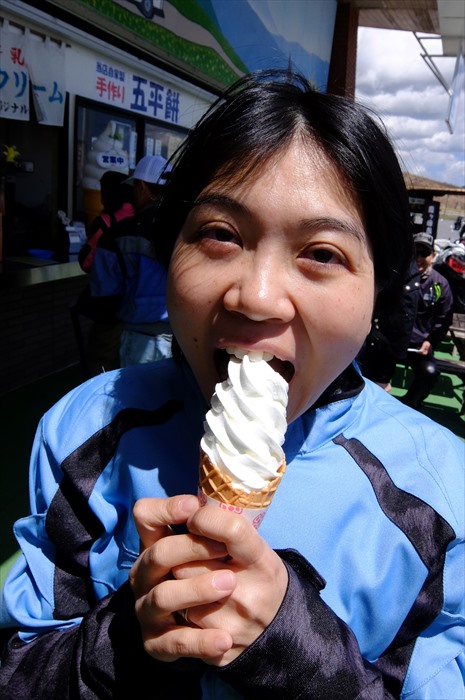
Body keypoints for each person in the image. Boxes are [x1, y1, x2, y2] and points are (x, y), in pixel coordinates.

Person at [0, 70, 463, 699]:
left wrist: (299, 653)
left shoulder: (444, 493)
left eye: (322, 253)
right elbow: (19, 666)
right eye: (220, 234)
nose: (258, 296)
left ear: (377, 286)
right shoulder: (85, 427)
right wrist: (127, 639)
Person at [88, 155, 172, 366]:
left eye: (134, 186)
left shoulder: (119, 235)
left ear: (142, 187)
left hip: (139, 340)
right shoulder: (191, 230)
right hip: (185, 339)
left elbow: (104, 295)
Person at [75, 171, 136, 377]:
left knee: (99, 356)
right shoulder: (140, 216)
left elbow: (87, 261)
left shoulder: (106, 221)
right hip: (137, 302)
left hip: (111, 303)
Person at [400, 231, 454, 409]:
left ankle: (409, 405)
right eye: (415, 252)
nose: (419, 258)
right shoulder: (397, 277)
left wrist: (431, 342)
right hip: (393, 342)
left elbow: (443, 319)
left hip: (418, 348)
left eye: (424, 253)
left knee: (429, 372)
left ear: (433, 256)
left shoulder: (440, 285)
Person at [357, 257, 421, 391]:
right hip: (365, 336)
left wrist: (395, 354)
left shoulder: (406, 266)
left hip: (383, 341)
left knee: (377, 386)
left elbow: (405, 316)